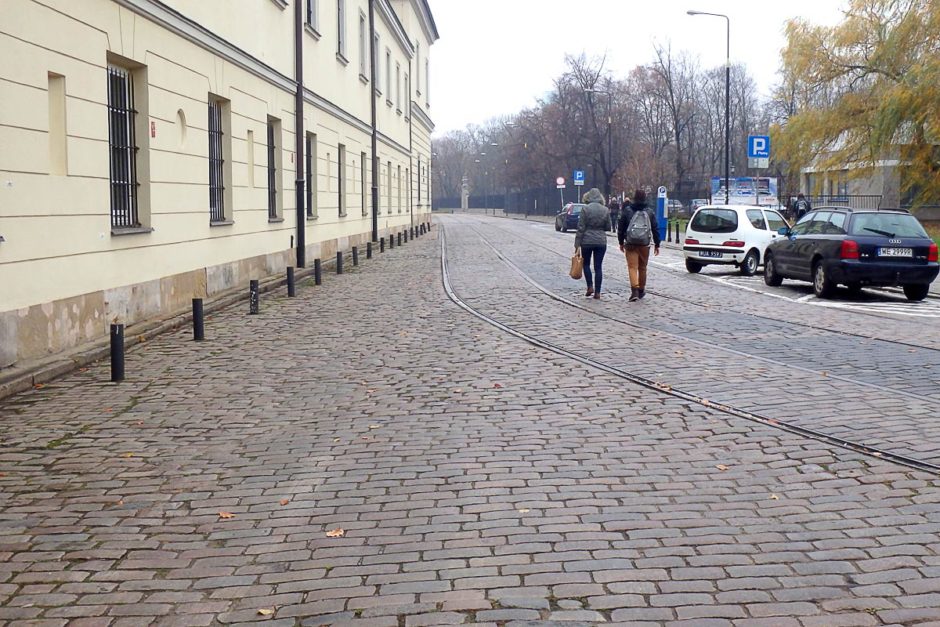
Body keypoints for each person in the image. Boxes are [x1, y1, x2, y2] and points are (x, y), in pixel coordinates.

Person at [618, 189, 660, 302]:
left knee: (632, 267)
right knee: (642, 267)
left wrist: (621, 242)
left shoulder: (627, 210)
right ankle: (641, 290)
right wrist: (657, 244)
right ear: (645, 198)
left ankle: (634, 291)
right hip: (644, 244)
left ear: (634, 197)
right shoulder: (649, 211)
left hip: (631, 243)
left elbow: (621, 227)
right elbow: (655, 228)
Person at [575, 188, 613, 299]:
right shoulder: (605, 210)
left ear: (588, 197)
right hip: (601, 241)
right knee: (598, 267)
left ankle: (590, 286)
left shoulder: (585, 209)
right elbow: (608, 227)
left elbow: (581, 227)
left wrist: (577, 244)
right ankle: (598, 292)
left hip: (586, 241)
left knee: (586, 264)